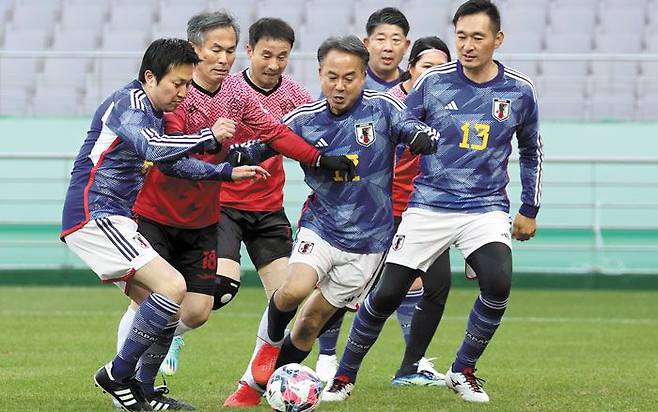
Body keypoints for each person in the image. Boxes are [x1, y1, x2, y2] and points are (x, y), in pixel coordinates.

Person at [112, 12, 353, 404]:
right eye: (216, 50)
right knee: (163, 302)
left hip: (210, 217)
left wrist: (319, 158)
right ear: (195, 49)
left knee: (201, 310)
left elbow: (276, 132)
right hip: (160, 213)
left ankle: (253, 380)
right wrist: (222, 161)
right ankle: (129, 381)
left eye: (227, 51)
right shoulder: (176, 93)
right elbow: (169, 155)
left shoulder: (239, 96)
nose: (224, 59)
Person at [323, 0, 543, 403]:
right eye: (461, 36)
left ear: (498, 39)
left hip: (486, 207)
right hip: (428, 205)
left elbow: (531, 150)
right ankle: (343, 376)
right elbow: (401, 121)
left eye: (478, 37)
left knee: (498, 282)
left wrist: (529, 208)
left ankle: (463, 370)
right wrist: (414, 133)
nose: (468, 45)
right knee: (387, 293)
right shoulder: (433, 81)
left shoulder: (519, 90)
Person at [60, 38, 268, 411]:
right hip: (94, 213)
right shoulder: (130, 103)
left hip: (116, 216)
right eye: (178, 83)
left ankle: (142, 391)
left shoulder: (152, 113)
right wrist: (209, 138)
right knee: (173, 287)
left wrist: (224, 172)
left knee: (164, 304)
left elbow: (170, 163)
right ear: (150, 76)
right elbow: (154, 149)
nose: (184, 92)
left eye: (189, 84)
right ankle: (117, 375)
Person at [243, 35, 437, 391]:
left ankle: (259, 387)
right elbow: (265, 144)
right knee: (293, 288)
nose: (339, 85)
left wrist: (424, 137)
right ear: (320, 73)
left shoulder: (384, 108)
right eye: (332, 76)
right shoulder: (305, 117)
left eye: (349, 77)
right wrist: (237, 155)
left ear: (363, 76)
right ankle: (265, 352)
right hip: (320, 226)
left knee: (309, 324)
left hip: (369, 242)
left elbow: (413, 128)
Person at [314, 6, 427, 383]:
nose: (388, 46)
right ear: (367, 43)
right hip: (345, 206)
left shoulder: (409, 91)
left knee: (412, 280)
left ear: (406, 47)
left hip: (402, 202)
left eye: (396, 40)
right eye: (381, 38)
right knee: (333, 283)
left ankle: (413, 364)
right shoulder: (344, 87)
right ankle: (327, 357)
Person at [217, 18, 316, 407]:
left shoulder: (296, 95)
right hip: (223, 204)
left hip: (268, 208)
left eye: (283, 56)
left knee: (285, 301)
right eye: (266, 55)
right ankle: (168, 333)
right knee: (221, 291)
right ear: (249, 51)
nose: (274, 64)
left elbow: (315, 137)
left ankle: (249, 384)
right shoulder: (228, 90)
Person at [386, 36, 454, 387]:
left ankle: (411, 368)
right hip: (384, 210)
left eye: (443, 68)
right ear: (411, 68)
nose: (435, 74)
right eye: (428, 66)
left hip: (427, 210)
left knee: (437, 285)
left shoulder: (450, 106)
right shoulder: (392, 104)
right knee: (349, 288)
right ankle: (326, 359)